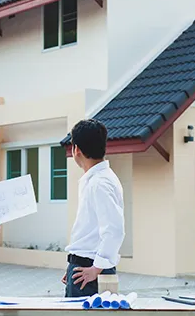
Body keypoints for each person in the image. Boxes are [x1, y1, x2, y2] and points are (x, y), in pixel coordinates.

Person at [62, 119, 125, 297]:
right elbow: (90, 231)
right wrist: (73, 265)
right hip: (84, 267)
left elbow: (114, 230)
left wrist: (95, 268)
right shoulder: (97, 180)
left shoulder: (99, 183)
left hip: (90, 271)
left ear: (77, 150)